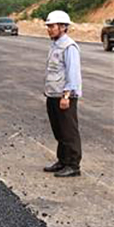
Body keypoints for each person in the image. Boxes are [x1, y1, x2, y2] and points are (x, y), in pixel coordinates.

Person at [42, 10, 82, 177]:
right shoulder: (55, 45)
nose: (49, 29)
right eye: (48, 26)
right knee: (59, 131)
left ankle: (73, 165)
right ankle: (62, 161)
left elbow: (72, 73)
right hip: (53, 95)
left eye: (52, 26)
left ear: (63, 27)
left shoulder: (69, 47)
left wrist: (66, 95)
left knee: (69, 131)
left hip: (64, 97)